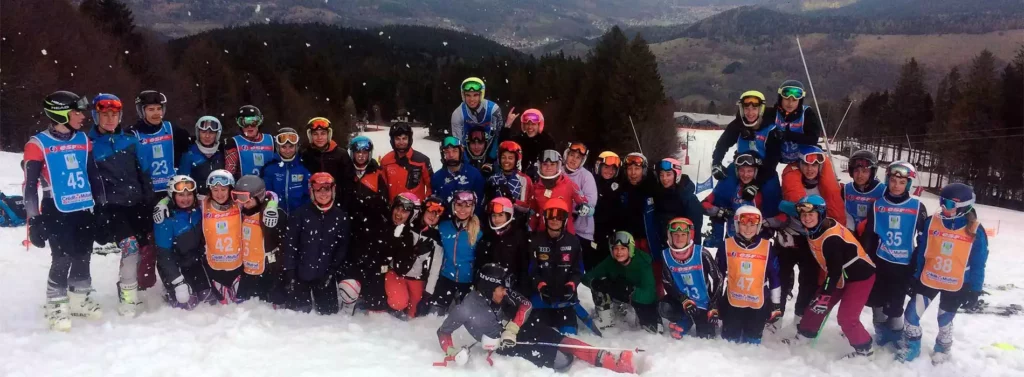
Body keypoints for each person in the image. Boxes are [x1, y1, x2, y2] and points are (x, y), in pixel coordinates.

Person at [436, 264, 634, 373]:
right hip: (504, 346)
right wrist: (452, 352)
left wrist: (513, 327)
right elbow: (443, 332)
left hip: (517, 331)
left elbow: (526, 305)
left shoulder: (503, 293)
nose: (505, 293)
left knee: (561, 341)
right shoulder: (465, 309)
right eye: (501, 289)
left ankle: (611, 361)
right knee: (562, 362)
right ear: (488, 289)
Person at [25, 91, 100, 330]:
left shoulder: (83, 140)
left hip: (83, 207)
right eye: (76, 111)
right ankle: (56, 304)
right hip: (56, 208)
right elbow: (29, 187)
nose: (82, 116)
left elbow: (92, 176)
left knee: (83, 254)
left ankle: (79, 298)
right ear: (60, 113)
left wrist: (101, 207)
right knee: (62, 257)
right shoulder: (37, 144)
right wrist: (34, 220)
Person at [896, 183, 988, 364]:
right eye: (942, 201)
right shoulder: (932, 222)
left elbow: (979, 263)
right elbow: (923, 251)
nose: (944, 207)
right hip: (929, 279)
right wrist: (914, 277)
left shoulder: (976, 230)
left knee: (944, 321)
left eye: (950, 204)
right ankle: (912, 345)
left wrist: (975, 289)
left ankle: (943, 347)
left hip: (957, 284)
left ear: (964, 206)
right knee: (910, 316)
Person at [782, 195, 876, 358]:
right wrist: (784, 204)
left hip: (859, 277)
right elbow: (789, 207)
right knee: (815, 306)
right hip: (840, 275)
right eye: (803, 215)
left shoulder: (830, 238)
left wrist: (825, 295)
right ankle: (804, 335)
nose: (806, 218)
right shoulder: (815, 225)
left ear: (821, 214)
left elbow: (834, 272)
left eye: (811, 214)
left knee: (846, 317)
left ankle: (864, 349)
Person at [86, 93, 152, 317]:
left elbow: (144, 173)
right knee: (130, 246)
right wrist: (98, 210)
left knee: (140, 248)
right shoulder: (88, 145)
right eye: (105, 114)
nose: (110, 119)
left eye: (114, 114)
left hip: (135, 204)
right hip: (111, 207)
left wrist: (148, 201)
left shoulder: (131, 140)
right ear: (96, 116)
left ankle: (126, 284)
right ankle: (128, 298)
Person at [858, 161, 928, 347]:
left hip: (903, 266)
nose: (896, 185)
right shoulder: (877, 205)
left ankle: (896, 337)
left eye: (902, 182)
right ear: (888, 180)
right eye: (893, 180)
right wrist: (865, 261)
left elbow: (923, 242)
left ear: (908, 184)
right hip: (880, 263)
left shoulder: (917, 207)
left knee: (895, 307)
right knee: (876, 303)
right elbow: (870, 237)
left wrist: (917, 271)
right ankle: (882, 334)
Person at [132, 90, 191, 291]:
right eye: (151, 109)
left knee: (172, 241)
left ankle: (174, 280)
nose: (156, 113)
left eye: (159, 109)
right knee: (147, 243)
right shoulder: (133, 134)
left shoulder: (172, 130)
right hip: (145, 196)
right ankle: (142, 283)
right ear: (142, 111)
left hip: (172, 194)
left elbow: (194, 146)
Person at [776, 146, 844, 319]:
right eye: (805, 164)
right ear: (799, 165)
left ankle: (800, 316)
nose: (810, 169)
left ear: (820, 167)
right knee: (781, 278)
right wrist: (787, 207)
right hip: (789, 236)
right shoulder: (790, 182)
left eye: (814, 165)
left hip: (812, 241)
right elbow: (779, 203)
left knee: (808, 281)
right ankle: (775, 315)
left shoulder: (827, 186)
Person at [283, 173, 351, 314]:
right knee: (297, 314)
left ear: (333, 190)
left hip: (324, 277)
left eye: (326, 189)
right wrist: (290, 273)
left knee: (329, 314)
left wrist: (331, 272)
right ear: (312, 191)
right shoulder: (300, 214)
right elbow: (290, 245)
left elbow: (341, 248)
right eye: (318, 189)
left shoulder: (340, 217)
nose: (323, 193)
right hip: (301, 275)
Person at [716, 206, 783, 345]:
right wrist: (715, 301)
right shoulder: (726, 245)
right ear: (737, 225)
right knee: (729, 342)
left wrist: (776, 304)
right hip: (733, 303)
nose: (748, 229)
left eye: (753, 225)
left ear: (758, 226)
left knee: (751, 343)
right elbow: (719, 275)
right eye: (744, 224)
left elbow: (774, 277)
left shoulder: (767, 247)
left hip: (757, 304)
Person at [344, 135, 392, 312]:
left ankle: (373, 298)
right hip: (351, 227)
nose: (361, 156)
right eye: (358, 152)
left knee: (372, 265)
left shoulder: (377, 173)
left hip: (372, 228)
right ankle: (352, 295)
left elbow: (384, 201)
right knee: (352, 264)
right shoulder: (346, 172)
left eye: (365, 152)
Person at [154, 176, 217, 311]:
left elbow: (217, 199)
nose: (186, 198)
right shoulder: (166, 217)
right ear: (172, 195)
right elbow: (163, 255)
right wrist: (178, 282)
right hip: (175, 264)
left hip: (194, 261)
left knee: (208, 298)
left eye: (189, 194)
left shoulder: (200, 209)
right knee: (187, 303)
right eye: (181, 195)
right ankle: (169, 288)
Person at [766, 80, 840, 192]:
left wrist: (786, 135)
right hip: (779, 156)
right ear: (780, 98)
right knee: (785, 183)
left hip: (803, 159)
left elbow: (813, 139)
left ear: (799, 101)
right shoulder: (772, 113)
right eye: (787, 99)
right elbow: (752, 115)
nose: (790, 103)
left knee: (828, 185)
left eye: (794, 100)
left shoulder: (807, 113)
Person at [702, 152, 784, 249]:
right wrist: (720, 212)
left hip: (758, 241)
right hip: (733, 238)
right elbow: (704, 204)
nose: (745, 175)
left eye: (749, 171)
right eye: (742, 170)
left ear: (756, 171)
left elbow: (783, 216)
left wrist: (767, 222)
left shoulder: (764, 190)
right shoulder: (731, 188)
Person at [659, 218, 723, 339]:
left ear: (689, 236)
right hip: (683, 301)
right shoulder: (666, 255)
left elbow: (718, 278)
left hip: (703, 302)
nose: (679, 238)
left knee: (706, 336)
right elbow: (667, 282)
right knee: (664, 307)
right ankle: (685, 319)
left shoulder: (701, 253)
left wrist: (714, 305)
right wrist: (683, 299)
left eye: (683, 234)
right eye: (675, 235)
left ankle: (697, 319)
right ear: (670, 236)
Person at [583, 231, 658, 333]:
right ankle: (606, 319)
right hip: (617, 295)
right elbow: (586, 277)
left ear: (630, 249)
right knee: (599, 282)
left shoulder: (643, 262)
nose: (619, 252)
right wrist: (596, 284)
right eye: (616, 249)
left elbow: (650, 294)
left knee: (654, 330)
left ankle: (633, 314)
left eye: (623, 248)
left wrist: (631, 292)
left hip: (639, 299)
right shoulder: (610, 261)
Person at [528, 198, 583, 335]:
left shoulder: (573, 241)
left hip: (565, 299)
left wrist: (571, 285)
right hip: (541, 298)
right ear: (545, 218)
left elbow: (578, 270)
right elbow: (530, 269)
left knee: (569, 334)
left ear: (565, 220)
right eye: (550, 216)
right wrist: (540, 285)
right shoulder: (535, 241)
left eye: (559, 216)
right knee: (539, 334)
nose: (554, 220)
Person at [710, 91, 782, 195]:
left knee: (771, 190)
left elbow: (773, 160)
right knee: (725, 184)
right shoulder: (737, 125)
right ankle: (716, 207)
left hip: (764, 169)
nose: (750, 113)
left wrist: (756, 184)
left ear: (760, 110)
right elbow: (723, 144)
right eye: (746, 109)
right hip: (741, 167)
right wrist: (716, 162)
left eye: (754, 109)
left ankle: (771, 211)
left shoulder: (770, 129)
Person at [425, 190, 483, 315]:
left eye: (468, 206)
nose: (463, 209)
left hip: (467, 282)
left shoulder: (479, 231)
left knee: (462, 319)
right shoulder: (444, 226)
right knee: (433, 316)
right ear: (453, 206)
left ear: (473, 208)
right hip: (445, 279)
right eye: (459, 205)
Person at [233, 175, 288, 306]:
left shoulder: (273, 214)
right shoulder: (241, 213)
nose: (242, 202)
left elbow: (285, 242)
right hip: (248, 269)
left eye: (245, 198)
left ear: (258, 196)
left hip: (269, 270)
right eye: (239, 198)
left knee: (266, 308)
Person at [200, 169, 244, 304]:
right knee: (224, 301)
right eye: (215, 190)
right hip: (215, 265)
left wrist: (271, 204)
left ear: (230, 189)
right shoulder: (203, 204)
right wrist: (164, 202)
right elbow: (181, 196)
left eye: (223, 189)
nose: (219, 194)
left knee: (240, 299)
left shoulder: (239, 204)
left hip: (237, 264)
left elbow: (266, 195)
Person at [383, 193, 427, 318]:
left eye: (404, 211)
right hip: (390, 272)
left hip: (413, 275)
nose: (399, 214)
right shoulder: (386, 226)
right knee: (398, 302)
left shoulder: (415, 231)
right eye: (397, 209)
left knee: (415, 311)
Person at [475, 197, 531, 291]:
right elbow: (480, 263)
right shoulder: (487, 237)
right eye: (493, 215)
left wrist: (521, 289)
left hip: (512, 288)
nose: (496, 219)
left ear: (508, 216)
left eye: (500, 215)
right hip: (491, 288)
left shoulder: (520, 237)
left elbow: (524, 267)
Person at [530, 149, 590, 235]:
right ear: (539, 166)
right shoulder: (536, 187)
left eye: (552, 164)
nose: (548, 167)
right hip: (543, 234)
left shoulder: (569, 184)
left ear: (558, 165)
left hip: (565, 233)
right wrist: (530, 229)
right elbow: (533, 213)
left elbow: (584, 202)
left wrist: (583, 206)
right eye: (545, 164)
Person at [300, 117, 355, 209]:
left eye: (323, 133)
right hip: (312, 206)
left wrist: (344, 206)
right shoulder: (305, 155)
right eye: (315, 134)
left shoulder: (341, 154)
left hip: (336, 205)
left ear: (328, 135)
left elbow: (349, 183)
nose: (319, 137)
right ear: (310, 136)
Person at [562, 142, 600, 271]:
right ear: (566, 155)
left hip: (581, 231)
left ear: (582, 160)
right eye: (572, 155)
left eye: (578, 157)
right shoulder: (558, 171)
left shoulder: (586, 176)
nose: (573, 159)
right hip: (560, 227)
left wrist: (578, 208)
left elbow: (591, 202)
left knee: (581, 266)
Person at [451, 77, 503, 161]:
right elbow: (458, 142)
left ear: (481, 95)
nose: (471, 99)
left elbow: (498, 136)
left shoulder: (493, 109)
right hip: (467, 149)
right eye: (468, 95)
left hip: (490, 148)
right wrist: (465, 161)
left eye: (475, 95)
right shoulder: (458, 113)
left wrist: (491, 159)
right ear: (463, 95)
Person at [431, 136, 485, 214]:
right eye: (447, 152)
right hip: (445, 222)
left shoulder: (474, 174)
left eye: (455, 151)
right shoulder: (437, 177)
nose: (451, 155)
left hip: (470, 222)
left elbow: (480, 203)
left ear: (461, 152)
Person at [261, 128, 311, 213]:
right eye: (283, 147)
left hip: (300, 216)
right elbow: (266, 194)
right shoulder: (270, 168)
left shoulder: (305, 166)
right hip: (276, 215)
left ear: (297, 146)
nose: (287, 151)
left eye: (291, 146)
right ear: (277, 147)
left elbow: (309, 195)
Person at [380, 122, 433, 201]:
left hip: (416, 210)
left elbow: (431, 187)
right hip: (395, 210)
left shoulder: (422, 160)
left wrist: (427, 205)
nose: (401, 142)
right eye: (397, 139)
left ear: (410, 139)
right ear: (392, 140)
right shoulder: (385, 161)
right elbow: (382, 188)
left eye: (404, 138)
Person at [484, 140, 534, 219]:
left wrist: (512, 201)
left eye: (510, 158)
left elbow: (527, 208)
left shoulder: (524, 180)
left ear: (517, 159)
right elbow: (486, 206)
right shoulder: (493, 179)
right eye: (503, 157)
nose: (506, 161)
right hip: (496, 219)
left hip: (517, 221)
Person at [414, 196, 446, 316]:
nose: (432, 216)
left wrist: (428, 293)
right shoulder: (410, 226)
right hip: (400, 274)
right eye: (430, 212)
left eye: (437, 214)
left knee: (415, 312)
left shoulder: (437, 238)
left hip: (419, 279)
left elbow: (435, 268)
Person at [178, 116, 226, 198]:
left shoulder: (223, 153)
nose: (207, 136)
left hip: (219, 199)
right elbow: (183, 182)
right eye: (203, 132)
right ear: (198, 133)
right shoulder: (189, 154)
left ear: (217, 134)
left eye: (211, 132)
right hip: (197, 200)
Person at [501, 108, 555, 179]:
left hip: (540, 181)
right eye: (527, 124)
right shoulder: (519, 139)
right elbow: (503, 146)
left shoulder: (547, 141)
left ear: (539, 125)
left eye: (533, 124)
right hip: (519, 179)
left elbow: (553, 162)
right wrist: (507, 125)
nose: (530, 127)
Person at [224, 105, 275, 178]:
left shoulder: (271, 140)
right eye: (244, 123)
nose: (250, 126)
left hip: (268, 187)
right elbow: (230, 170)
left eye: (254, 122)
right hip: (244, 187)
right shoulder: (234, 142)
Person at [842, 150, 886, 232]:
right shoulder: (846, 190)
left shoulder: (883, 191)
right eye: (856, 171)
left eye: (864, 171)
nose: (859, 175)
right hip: (850, 233)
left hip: (872, 234)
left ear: (871, 173)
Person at [592, 151, 624, 254]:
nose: (610, 171)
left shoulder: (618, 185)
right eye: (606, 167)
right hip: (592, 232)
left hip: (611, 234)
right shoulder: (591, 183)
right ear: (599, 167)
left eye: (613, 168)